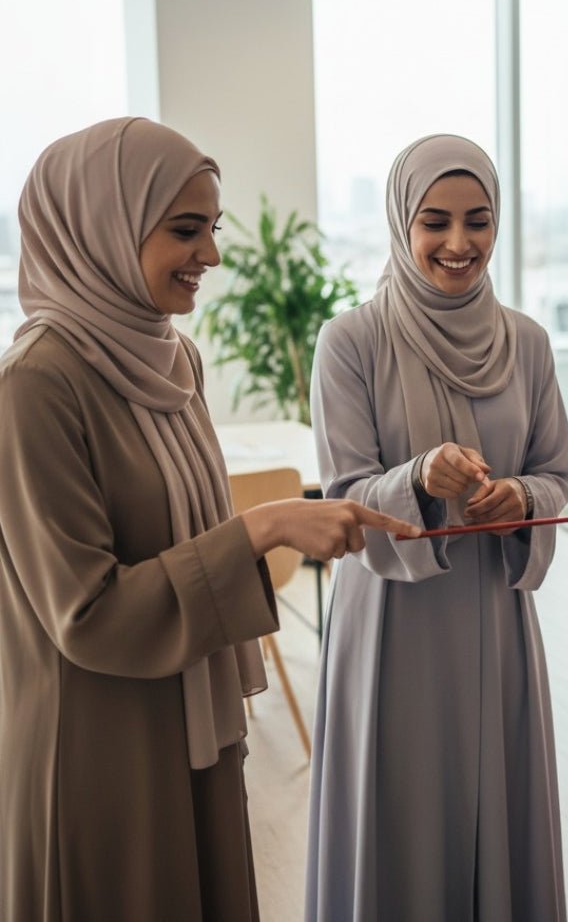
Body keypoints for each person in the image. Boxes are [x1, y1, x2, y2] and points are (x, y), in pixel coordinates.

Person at [0, 117, 419, 922]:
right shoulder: (36, 386)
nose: (214, 256)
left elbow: (186, 530)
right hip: (95, 750)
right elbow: (86, 613)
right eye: (185, 230)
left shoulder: (171, 356)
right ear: (100, 227)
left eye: (212, 228)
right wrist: (263, 528)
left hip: (193, 724)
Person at [305, 134, 568, 922]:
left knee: (496, 803)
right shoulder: (351, 341)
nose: (460, 244)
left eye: (479, 221)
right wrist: (418, 478)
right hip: (392, 621)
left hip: (493, 614)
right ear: (401, 223)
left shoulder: (526, 342)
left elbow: (557, 473)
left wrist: (522, 500)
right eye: (435, 222)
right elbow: (345, 495)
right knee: (401, 814)